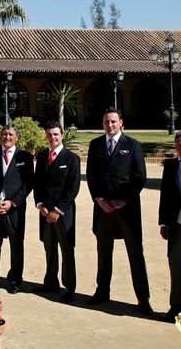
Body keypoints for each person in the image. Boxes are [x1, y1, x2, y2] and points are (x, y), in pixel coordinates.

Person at [86, 109, 152, 315]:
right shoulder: (95, 145)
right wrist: (99, 199)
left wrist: (123, 200)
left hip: (127, 209)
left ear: (121, 123)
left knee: (135, 254)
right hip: (103, 208)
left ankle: (143, 299)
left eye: (114, 121)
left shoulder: (133, 146)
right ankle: (102, 291)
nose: (110, 125)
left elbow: (139, 176)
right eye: (107, 121)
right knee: (103, 252)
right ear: (103, 123)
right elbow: (91, 175)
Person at [0, 125, 33, 294]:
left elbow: (28, 183)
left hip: (14, 209)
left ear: (16, 137)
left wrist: (13, 202)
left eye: (10, 134)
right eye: (4, 134)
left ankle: (15, 279)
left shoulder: (25, 156)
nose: (7, 137)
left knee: (17, 244)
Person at [33, 121, 80, 303]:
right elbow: (37, 183)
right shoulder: (43, 156)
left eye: (55, 134)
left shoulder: (71, 159)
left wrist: (58, 210)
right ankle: (51, 282)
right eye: (49, 134)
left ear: (62, 135)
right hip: (45, 212)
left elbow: (72, 188)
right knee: (49, 247)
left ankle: (69, 287)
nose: (52, 138)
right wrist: (40, 205)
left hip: (63, 213)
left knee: (67, 250)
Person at [158, 131, 181, 323]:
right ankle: (175, 309)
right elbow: (164, 196)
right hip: (176, 226)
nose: (180, 147)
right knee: (176, 267)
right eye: (178, 144)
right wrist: (163, 222)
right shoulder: (172, 166)